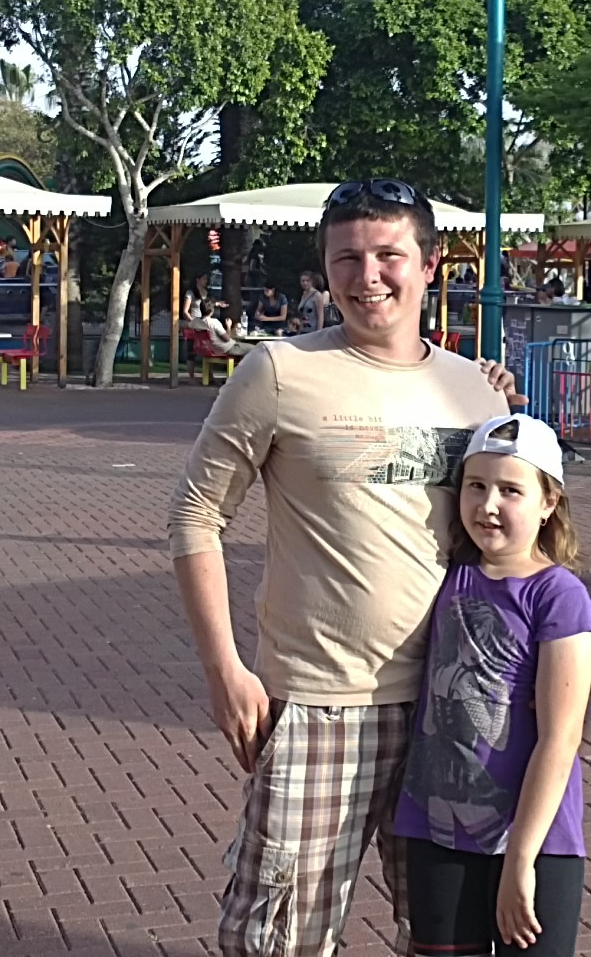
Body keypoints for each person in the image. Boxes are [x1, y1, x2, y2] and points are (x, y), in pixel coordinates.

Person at [167, 178, 521, 957]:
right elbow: (195, 516)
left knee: (449, 935)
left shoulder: (473, 389)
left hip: (451, 708)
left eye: (389, 255)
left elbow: (507, 537)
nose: (368, 278)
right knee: (278, 937)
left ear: (430, 264)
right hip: (320, 703)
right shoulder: (279, 371)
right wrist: (224, 669)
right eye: (346, 259)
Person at [396, 415, 591, 957]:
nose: (487, 505)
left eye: (511, 490)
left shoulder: (559, 596)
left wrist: (520, 860)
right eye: (476, 485)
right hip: (438, 827)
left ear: (548, 502)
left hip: (535, 840)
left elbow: (561, 738)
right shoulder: (446, 574)